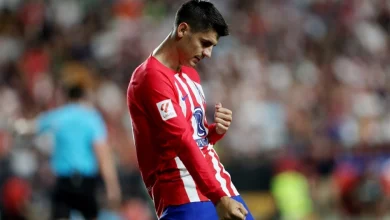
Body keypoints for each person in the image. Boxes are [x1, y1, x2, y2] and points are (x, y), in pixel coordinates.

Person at [127, 1, 254, 219]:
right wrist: (218, 198)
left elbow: (196, 137)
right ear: (183, 30)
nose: (208, 54)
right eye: (205, 43)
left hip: (220, 185)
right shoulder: (151, 78)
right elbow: (182, 141)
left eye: (213, 46)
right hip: (182, 193)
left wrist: (215, 131)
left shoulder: (190, 73)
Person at [13, 84, 121, 220]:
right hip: (86, 181)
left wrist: (16, 126)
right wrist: (112, 185)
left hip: (63, 181)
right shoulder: (92, 118)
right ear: (84, 98)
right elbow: (102, 153)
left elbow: (30, 127)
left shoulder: (59, 116)